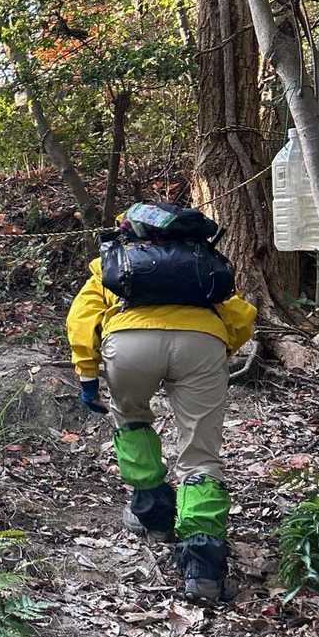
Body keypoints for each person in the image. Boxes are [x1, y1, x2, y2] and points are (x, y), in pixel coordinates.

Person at [66, 201, 257, 605]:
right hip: (200, 344)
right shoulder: (201, 261)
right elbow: (241, 316)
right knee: (200, 456)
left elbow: (82, 319)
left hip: (128, 345)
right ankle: (203, 568)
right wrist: (219, 349)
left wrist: (87, 373)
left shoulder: (115, 262)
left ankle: (152, 514)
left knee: (131, 420)